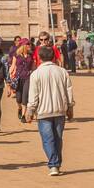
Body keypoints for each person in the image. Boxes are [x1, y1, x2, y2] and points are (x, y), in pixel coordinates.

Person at [25, 45, 74, 176]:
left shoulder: (36, 74)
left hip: (43, 112)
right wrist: (70, 107)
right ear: (53, 57)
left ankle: (53, 164)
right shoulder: (62, 72)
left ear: (39, 58)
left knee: (48, 139)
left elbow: (33, 96)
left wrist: (29, 111)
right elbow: (69, 91)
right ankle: (56, 163)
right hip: (60, 110)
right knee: (58, 138)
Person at [10, 40, 34, 123]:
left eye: (29, 44)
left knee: (25, 97)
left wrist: (33, 73)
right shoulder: (16, 55)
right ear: (23, 45)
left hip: (27, 78)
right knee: (18, 98)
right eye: (27, 44)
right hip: (18, 78)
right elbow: (13, 65)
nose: (29, 45)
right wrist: (10, 75)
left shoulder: (31, 55)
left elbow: (33, 66)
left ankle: (23, 115)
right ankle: (19, 108)